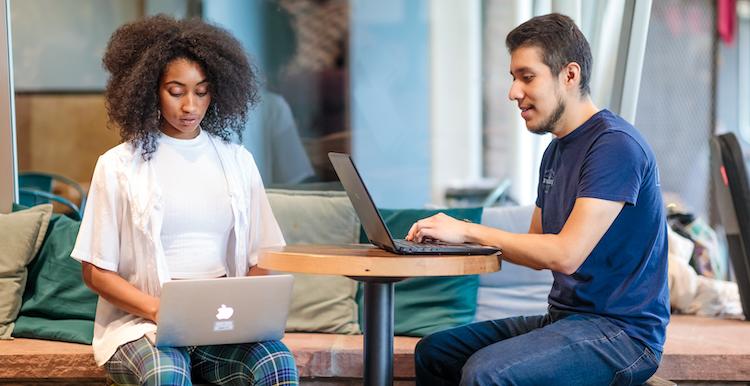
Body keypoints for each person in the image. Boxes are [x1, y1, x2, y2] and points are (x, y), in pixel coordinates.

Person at [408, 13, 669, 386]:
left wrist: (469, 233)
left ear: (570, 75)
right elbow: (536, 240)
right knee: (435, 353)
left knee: (487, 373)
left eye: (527, 77)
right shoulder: (556, 151)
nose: (514, 92)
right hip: (567, 319)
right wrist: (454, 236)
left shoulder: (614, 146)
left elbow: (564, 254)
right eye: (513, 78)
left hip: (623, 335)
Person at [71, 15, 299, 386]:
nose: (190, 105)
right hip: (142, 324)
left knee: (276, 363)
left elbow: (265, 254)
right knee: (167, 374)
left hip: (220, 326)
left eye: (202, 91)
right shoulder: (118, 165)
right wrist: (159, 310)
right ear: (148, 90)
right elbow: (95, 272)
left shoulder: (237, 161)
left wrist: (242, 310)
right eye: (176, 92)